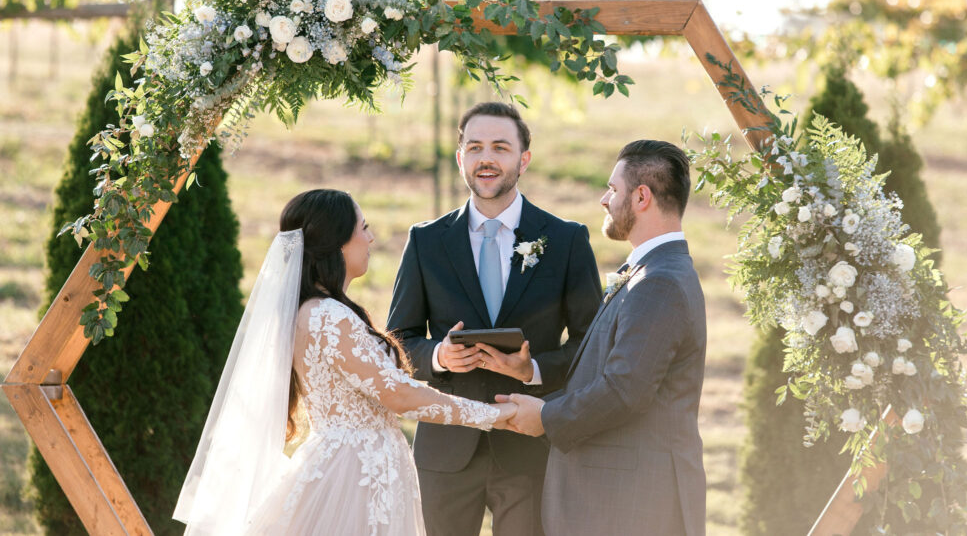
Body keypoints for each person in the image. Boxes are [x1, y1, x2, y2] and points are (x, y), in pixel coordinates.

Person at [173, 189, 517, 536]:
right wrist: (493, 415)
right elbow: (397, 395)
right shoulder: (328, 316)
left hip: (359, 467)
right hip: (353, 477)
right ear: (338, 243)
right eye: (363, 227)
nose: (371, 237)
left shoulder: (316, 310)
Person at [386, 102, 602, 536]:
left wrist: (534, 369)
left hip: (529, 446)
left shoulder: (565, 239)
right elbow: (399, 340)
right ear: (460, 156)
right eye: (475, 146)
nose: (487, 158)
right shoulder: (426, 241)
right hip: (445, 448)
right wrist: (440, 358)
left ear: (523, 159)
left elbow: (591, 343)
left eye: (500, 147)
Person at [499, 139, 707, 536]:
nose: (603, 199)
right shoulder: (655, 271)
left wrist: (545, 417)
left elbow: (625, 390)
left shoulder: (659, 282)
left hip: (629, 505)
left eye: (613, 190)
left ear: (642, 197)